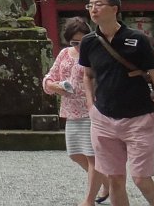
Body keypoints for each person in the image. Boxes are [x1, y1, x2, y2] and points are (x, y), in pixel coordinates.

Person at [79, 0, 154, 206]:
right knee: (115, 178)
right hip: (103, 118)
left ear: (114, 9)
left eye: (98, 4)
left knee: (141, 178)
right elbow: (87, 75)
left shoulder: (137, 39)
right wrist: (90, 104)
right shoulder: (88, 41)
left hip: (138, 116)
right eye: (90, 5)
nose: (93, 9)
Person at [43, 17, 108, 206]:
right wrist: (54, 86)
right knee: (75, 154)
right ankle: (106, 182)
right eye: (74, 42)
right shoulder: (64, 53)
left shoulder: (97, 53)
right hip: (70, 111)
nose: (79, 46)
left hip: (92, 110)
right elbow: (49, 76)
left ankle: (89, 199)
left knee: (92, 156)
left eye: (82, 41)